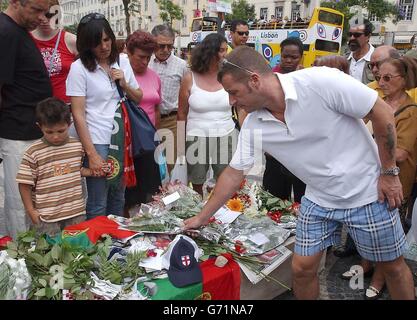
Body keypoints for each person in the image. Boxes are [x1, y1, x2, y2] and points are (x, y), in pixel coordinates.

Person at [184, 46, 415, 300]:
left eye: (233, 92)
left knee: (392, 267)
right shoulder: (253, 123)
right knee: (302, 270)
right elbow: (234, 173)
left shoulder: (320, 82)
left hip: (367, 194)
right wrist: (201, 217)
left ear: (254, 80)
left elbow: (381, 112)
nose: (231, 101)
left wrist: (389, 174)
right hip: (318, 200)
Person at [341, 56, 417, 299]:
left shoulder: (411, 111)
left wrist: (366, 146)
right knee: (369, 223)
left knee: (387, 231)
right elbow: (356, 129)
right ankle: (366, 265)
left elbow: (402, 153)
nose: (380, 82)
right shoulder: (377, 102)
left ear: (404, 80)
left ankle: (379, 278)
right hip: (368, 177)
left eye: (387, 78)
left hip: (395, 178)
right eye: (378, 77)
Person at [66, 13, 142, 219]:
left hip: (122, 139)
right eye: (96, 42)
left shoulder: (123, 61)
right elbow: (78, 113)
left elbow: (139, 97)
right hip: (97, 141)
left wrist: (124, 83)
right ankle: (97, 246)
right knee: (98, 201)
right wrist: (91, 154)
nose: (104, 46)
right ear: (86, 44)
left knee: (118, 198)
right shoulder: (78, 68)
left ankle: (115, 243)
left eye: (107, 39)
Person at [0, 0, 52, 239]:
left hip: (33, 133)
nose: (42, 17)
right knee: (19, 205)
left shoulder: (18, 31)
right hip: (17, 134)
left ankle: (33, 255)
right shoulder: (6, 31)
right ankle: (20, 261)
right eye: (36, 10)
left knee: (35, 201)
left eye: (46, 11)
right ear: (15, 3)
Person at [16, 98, 100, 236]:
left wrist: (92, 172)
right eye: (49, 132)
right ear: (40, 126)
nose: (55, 137)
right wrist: (30, 210)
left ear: (69, 124)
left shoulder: (77, 146)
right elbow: (24, 184)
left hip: (75, 214)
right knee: (49, 253)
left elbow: (75, 170)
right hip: (47, 217)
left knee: (76, 251)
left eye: (61, 131)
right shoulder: (33, 152)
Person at [177, 33, 236, 196]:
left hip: (226, 134)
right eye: (222, 50)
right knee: (196, 181)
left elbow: (241, 107)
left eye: (226, 50)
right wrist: (181, 147)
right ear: (210, 52)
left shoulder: (229, 77)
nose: (225, 54)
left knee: (225, 179)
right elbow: (181, 114)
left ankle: (221, 215)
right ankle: (198, 214)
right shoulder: (189, 78)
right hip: (196, 136)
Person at [124, 30, 162, 210]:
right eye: (140, 57)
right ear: (128, 52)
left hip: (149, 141)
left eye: (148, 57)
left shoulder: (154, 76)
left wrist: (158, 136)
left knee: (151, 191)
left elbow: (157, 107)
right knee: (130, 195)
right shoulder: (122, 74)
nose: (145, 61)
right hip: (130, 142)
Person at [267, 37, 306, 203]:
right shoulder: (269, 78)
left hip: (301, 146)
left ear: (301, 57)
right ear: (280, 55)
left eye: (294, 57)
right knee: (274, 199)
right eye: (285, 56)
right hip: (276, 145)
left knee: (302, 197)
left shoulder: (306, 78)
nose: (289, 60)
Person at [149, 25, 188, 168]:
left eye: (169, 46)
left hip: (172, 121)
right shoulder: (144, 62)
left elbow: (187, 96)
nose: (165, 50)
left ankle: (171, 191)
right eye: (161, 46)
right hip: (148, 121)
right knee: (150, 164)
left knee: (172, 165)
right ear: (153, 43)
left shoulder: (182, 65)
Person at [31, 0, 77, 104]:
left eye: (49, 15)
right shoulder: (25, 39)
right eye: (39, 14)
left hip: (65, 107)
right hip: (35, 106)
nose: (44, 20)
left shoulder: (71, 40)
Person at [347, 19, 374, 84]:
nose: (352, 38)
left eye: (357, 35)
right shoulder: (344, 59)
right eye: (350, 34)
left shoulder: (378, 60)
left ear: (368, 36)